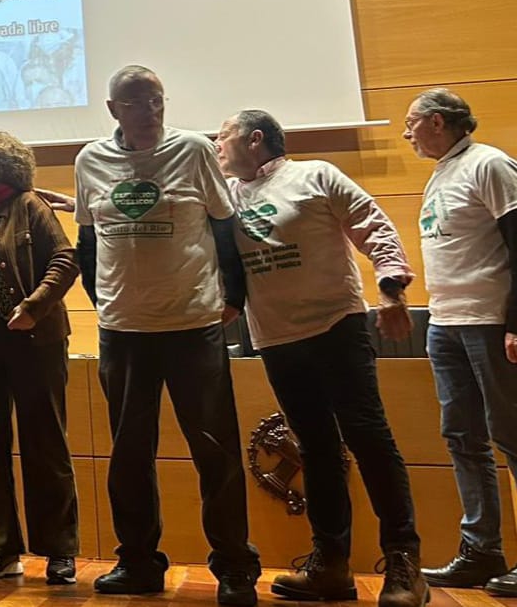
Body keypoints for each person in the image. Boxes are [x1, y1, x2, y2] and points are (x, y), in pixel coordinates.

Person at [215, 110, 426, 607]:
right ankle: (330, 565)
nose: (216, 144)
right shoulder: (228, 197)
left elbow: (373, 224)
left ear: (255, 139)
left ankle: (404, 564)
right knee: (315, 449)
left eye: (223, 136)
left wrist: (391, 289)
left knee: (369, 439)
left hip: (336, 327)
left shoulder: (315, 175)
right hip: (276, 339)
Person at [75, 65, 259, 604]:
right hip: (123, 332)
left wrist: (233, 297)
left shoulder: (194, 150)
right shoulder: (90, 160)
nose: (149, 111)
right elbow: (88, 242)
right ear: (114, 110)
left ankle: (234, 567)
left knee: (215, 453)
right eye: (136, 103)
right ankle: (137, 563)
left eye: (156, 100)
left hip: (192, 326)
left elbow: (225, 226)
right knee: (129, 455)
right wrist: (107, 303)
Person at [401, 89, 517, 595]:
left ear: (437, 122)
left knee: (512, 434)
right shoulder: (443, 171)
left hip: (489, 321)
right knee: (462, 437)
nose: (406, 133)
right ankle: (481, 550)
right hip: (445, 322)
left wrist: (515, 322)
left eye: (411, 123)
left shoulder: (489, 164)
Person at [0, 128, 80, 584]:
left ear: (1, 162)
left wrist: (33, 307)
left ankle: (59, 551)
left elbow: (65, 260)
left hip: (34, 340)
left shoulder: (31, 206)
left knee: (45, 445)